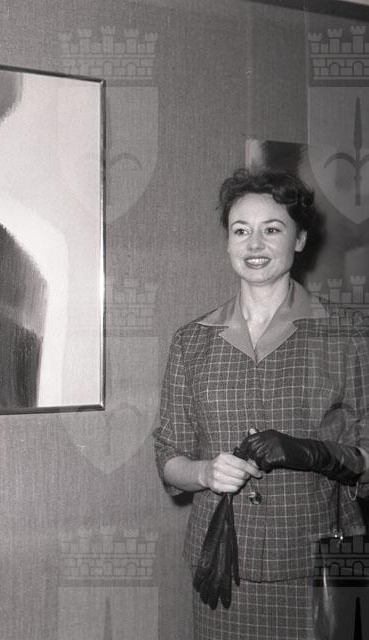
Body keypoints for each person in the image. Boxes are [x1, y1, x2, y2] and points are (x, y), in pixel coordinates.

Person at [153, 168, 369, 640]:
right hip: (224, 563)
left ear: (299, 238)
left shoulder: (350, 336)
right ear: (227, 241)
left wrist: (315, 453)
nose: (254, 244)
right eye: (240, 230)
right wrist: (206, 472)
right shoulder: (192, 341)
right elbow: (168, 455)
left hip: (328, 560)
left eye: (272, 229)